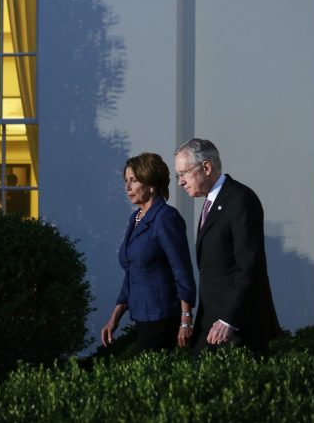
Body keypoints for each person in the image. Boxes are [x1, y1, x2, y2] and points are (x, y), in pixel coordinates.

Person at [173, 138, 281, 355]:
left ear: (206, 167)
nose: (180, 182)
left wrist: (228, 319)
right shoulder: (212, 202)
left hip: (237, 327)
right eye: (178, 176)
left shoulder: (240, 200)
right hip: (211, 321)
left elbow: (249, 266)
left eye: (184, 173)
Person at [101, 152, 197, 352]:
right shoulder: (135, 218)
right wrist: (114, 318)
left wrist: (186, 320)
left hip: (162, 316)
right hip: (142, 316)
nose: (127, 187)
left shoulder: (165, 218)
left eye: (133, 181)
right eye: (126, 181)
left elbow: (182, 270)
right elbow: (132, 272)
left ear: (151, 184)